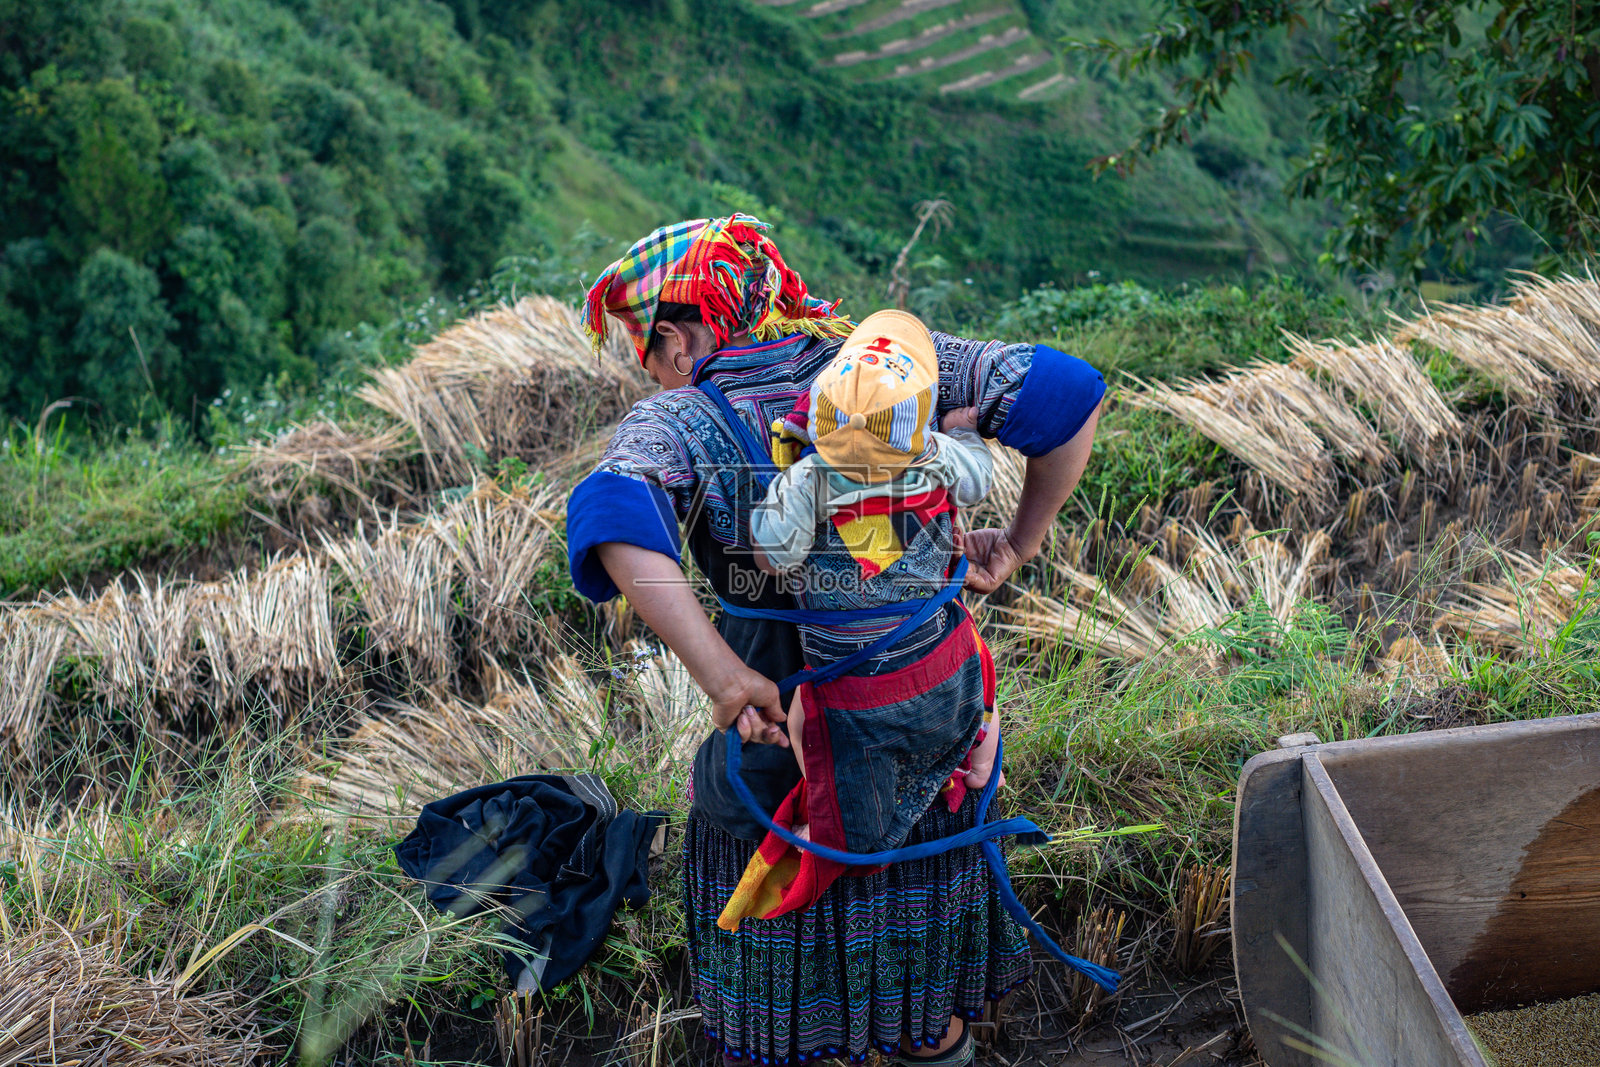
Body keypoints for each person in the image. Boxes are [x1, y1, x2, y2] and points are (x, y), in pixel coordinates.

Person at [567, 214, 1103, 1065]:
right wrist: (1017, 542)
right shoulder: (893, 361)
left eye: (648, 352)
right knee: (928, 999)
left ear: (677, 338)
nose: (654, 371)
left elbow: (611, 513)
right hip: (931, 718)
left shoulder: (682, 419)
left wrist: (724, 676)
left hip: (786, 752)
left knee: (788, 1012)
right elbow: (1068, 393)